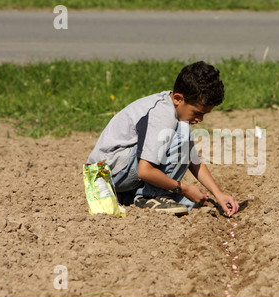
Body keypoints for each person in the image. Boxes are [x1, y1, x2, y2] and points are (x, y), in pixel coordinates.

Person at [87, 61, 239, 216]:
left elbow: (193, 158)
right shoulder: (163, 115)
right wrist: (183, 188)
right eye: (197, 113)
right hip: (106, 175)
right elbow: (145, 171)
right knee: (183, 132)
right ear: (178, 99)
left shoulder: (172, 107)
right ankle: (149, 196)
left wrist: (218, 194)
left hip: (118, 173)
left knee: (190, 203)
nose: (200, 119)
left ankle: (133, 196)